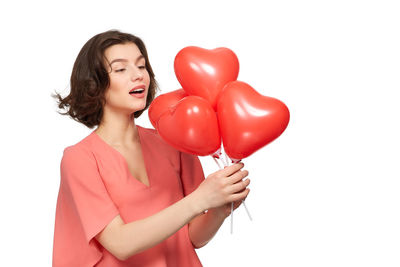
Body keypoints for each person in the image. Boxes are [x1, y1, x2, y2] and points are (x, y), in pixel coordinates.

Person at [52, 29, 250, 267]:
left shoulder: (172, 140)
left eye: (141, 66)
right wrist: (201, 199)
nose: (138, 76)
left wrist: (218, 209)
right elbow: (120, 243)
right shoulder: (80, 159)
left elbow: (192, 238)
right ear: (94, 84)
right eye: (121, 69)